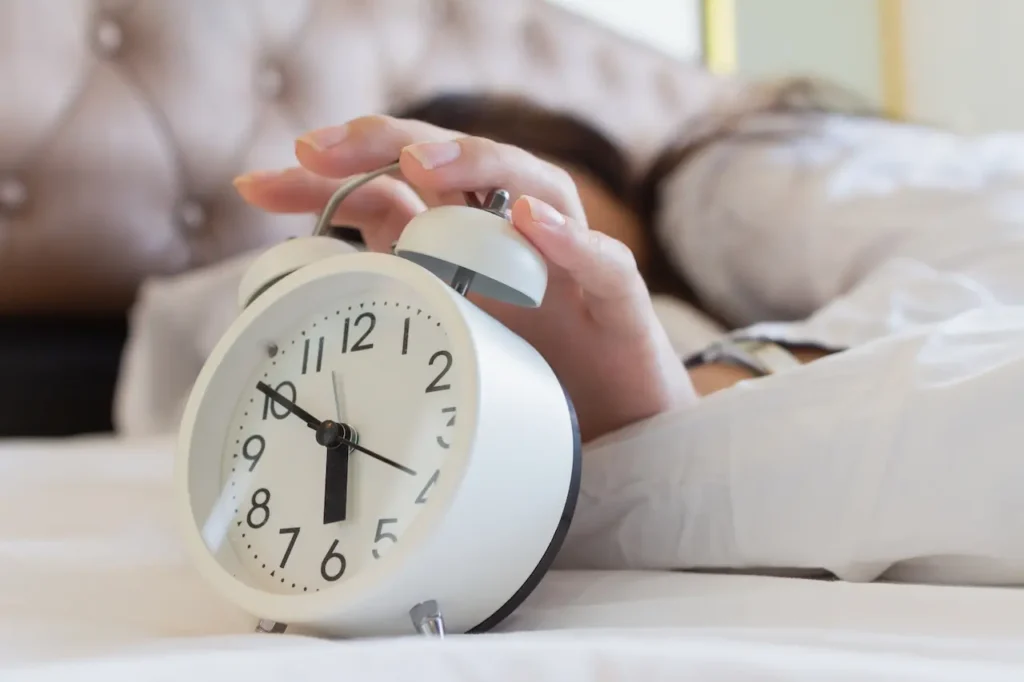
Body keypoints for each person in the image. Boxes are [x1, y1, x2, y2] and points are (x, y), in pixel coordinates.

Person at [232, 84, 1024, 586]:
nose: (469, 234)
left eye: (479, 196)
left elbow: (995, 250)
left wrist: (715, 394)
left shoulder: (714, 181)